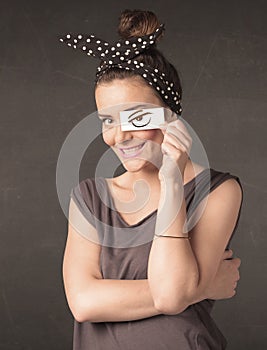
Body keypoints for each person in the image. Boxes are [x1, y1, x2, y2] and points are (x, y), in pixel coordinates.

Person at [60, 9, 243, 350]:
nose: (119, 136)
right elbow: (83, 302)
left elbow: (173, 294)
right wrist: (201, 287)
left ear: (170, 115)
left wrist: (173, 181)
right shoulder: (89, 197)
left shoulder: (216, 192)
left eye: (136, 117)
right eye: (107, 121)